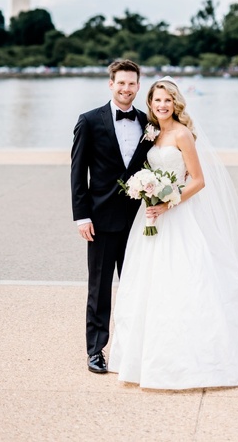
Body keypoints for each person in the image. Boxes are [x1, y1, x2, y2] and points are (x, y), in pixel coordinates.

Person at [109, 77, 238, 389]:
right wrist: (146, 193)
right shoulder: (151, 132)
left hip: (179, 214)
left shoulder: (183, 134)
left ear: (176, 104)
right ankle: (141, 355)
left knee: (191, 278)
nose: (162, 106)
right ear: (150, 104)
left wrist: (168, 201)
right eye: (157, 101)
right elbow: (139, 168)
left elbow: (198, 180)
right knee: (148, 281)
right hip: (152, 216)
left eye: (167, 101)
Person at [71, 60, 153, 374]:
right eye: (121, 83)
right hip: (101, 220)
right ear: (111, 84)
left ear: (138, 85)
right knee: (100, 287)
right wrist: (82, 217)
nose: (126, 89)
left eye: (132, 84)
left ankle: (136, 346)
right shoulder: (89, 121)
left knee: (137, 286)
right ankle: (96, 350)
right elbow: (77, 173)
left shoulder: (149, 123)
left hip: (139, 221)